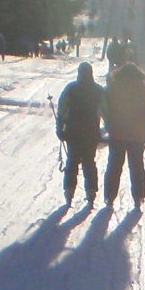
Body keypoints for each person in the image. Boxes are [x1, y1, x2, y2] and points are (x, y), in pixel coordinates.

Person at [102, 60, 145, 208]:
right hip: (137, 136)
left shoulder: (112, 88)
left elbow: (103, 107)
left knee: (114, 167)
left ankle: (109, 196)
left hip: (117, 134)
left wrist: (109, 123)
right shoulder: (143, 90)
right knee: (137, 167)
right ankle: (139, 197)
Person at [56, 61, 104, 208]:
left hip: (72, 132)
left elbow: (62, 110)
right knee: (89, 162)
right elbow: (106, 111)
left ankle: (69, 192)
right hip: (91, 132)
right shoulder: (98, 90)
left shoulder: (71, 89)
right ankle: (91, 193)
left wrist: (60, 128)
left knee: (72, 161)